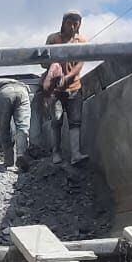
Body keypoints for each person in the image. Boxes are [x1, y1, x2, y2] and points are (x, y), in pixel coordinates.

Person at [43, 10, 88, 165]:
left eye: (76, 23)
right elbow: (43, 62)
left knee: (75, 121)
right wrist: (54, 69)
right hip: (56, 90)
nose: (73, 26)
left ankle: (75, 153)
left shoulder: (81, 41)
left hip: (74, 87)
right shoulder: (53, 39)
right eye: (70, 22)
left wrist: (68, 77)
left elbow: (80, 64)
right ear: (63, 23)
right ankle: (56, 153)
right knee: (56, 121)